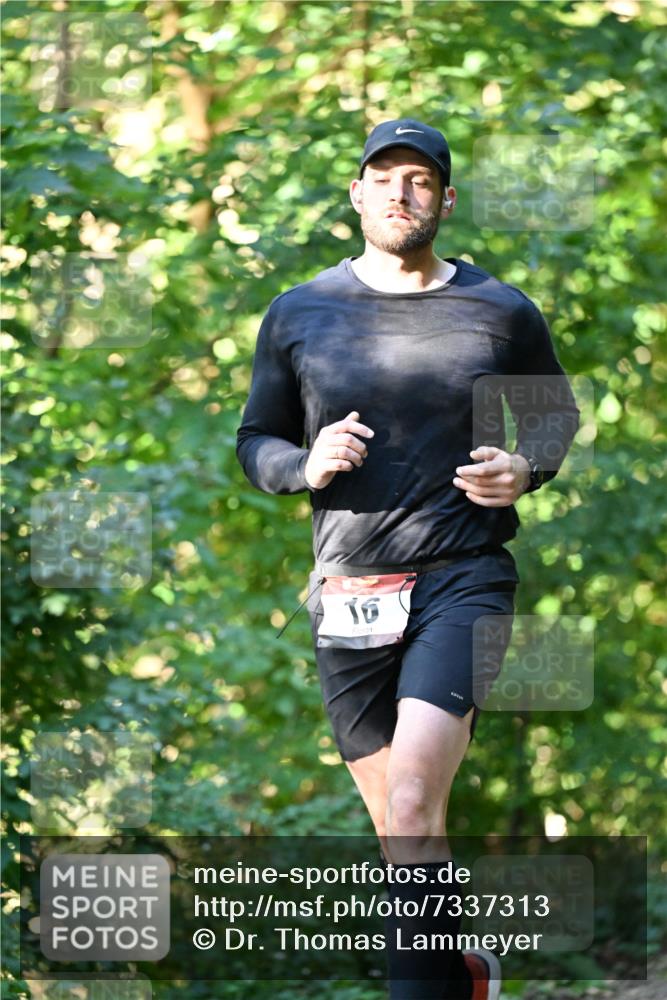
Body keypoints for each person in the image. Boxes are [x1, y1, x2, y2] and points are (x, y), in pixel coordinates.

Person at [236, 117, 580, 1000]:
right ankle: (461, 971)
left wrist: (524, 466)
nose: (401, 193)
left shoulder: (500, 308)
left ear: (445, 199)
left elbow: (549, 419)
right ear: (356, 194)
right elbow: (255, 441)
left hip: (464, 576)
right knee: (402, 835)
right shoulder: (299, 312)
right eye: (384, 178)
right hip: (348, 587)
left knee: (412, 799)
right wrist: (302, 465)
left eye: (420, 181)